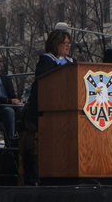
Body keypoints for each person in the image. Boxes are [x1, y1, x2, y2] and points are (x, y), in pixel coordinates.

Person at [22, 29, 75, 183]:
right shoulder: (46, 61)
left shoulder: (72, 62)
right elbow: (46, 82)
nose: (67, 46)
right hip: (44, 111)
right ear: (54, 44)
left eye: (68, 43)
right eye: (63, 43)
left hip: (67, 110)